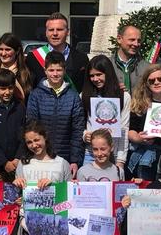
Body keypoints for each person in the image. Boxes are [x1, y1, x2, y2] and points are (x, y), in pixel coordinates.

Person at [25, 50, 86, 178]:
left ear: (64, 70)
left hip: (65, 157)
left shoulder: (73, 96)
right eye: (51, 70)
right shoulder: (36, 95)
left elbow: (77, 130)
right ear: (45, 70)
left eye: (59, 70)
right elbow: (32, 126)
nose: (55, 74)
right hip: (41, 156)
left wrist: (75, 160)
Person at [80, 55, 130, 167]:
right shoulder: (84, 95)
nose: (95, 79)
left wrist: (121, 161)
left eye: (99, 74)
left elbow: (124, 129)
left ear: (108, 73)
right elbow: (79, 124)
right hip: (90, 153)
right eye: (92, 76)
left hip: (114, 153)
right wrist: (84, 135)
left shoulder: (124, 96)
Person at [25, 12, 89, 90]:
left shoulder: (81, 58)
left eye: (59, 29)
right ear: (46, 32)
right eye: (51, 30)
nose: (55, 33)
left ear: (68, 32)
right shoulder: (33, 58)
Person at [12, 121, 72, 190]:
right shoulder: (22, 163)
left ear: (45, 137)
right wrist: (15, 185)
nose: (34, 145)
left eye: (36, 140)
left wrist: (53, 186)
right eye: (29, 142)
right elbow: (18, 194)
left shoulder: (62, 163)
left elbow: (69, 193)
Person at [0, 33, 33, 102]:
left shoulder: (27, 75)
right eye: (1, 49)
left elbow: (24, 99)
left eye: (7, 49)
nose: (3, 54)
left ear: (17, 51)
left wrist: (11, 76)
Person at [108, 24, 144, 93]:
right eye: (132, 40)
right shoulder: (107, 64)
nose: (136, 44)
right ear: (119, 39)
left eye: (139, 41)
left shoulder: (146, 67)